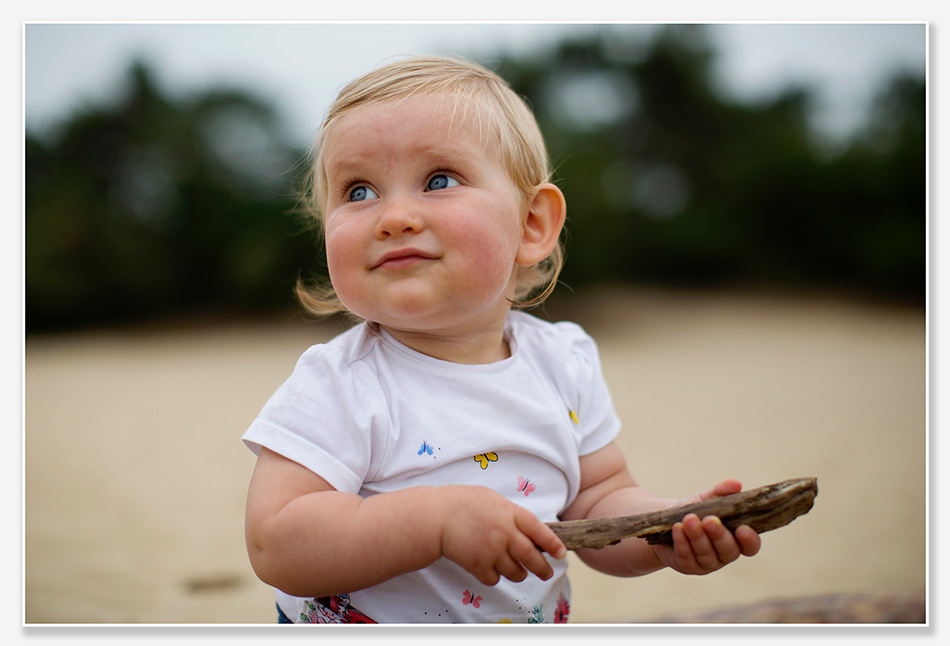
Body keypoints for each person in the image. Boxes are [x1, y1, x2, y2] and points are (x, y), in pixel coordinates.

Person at [242, 55, 761, 624]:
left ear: (532, 224)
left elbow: (598, 505)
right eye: (358, 191)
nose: (393, 216)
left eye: (438, 180)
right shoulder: (341, 382)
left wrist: (667, 528)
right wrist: (434, 521)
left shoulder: (564, 362)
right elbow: (277, 541)